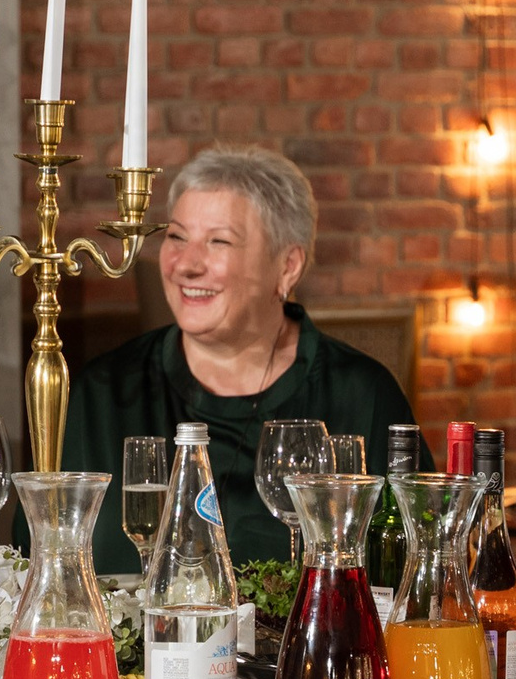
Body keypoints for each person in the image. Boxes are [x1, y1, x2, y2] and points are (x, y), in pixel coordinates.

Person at [61, 146, 421, 573]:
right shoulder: (102, 394)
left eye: (219, 241)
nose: (186, 265)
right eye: (176, 237)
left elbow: (414, 571)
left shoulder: (363, 397)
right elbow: (39, 567)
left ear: (287, 267)